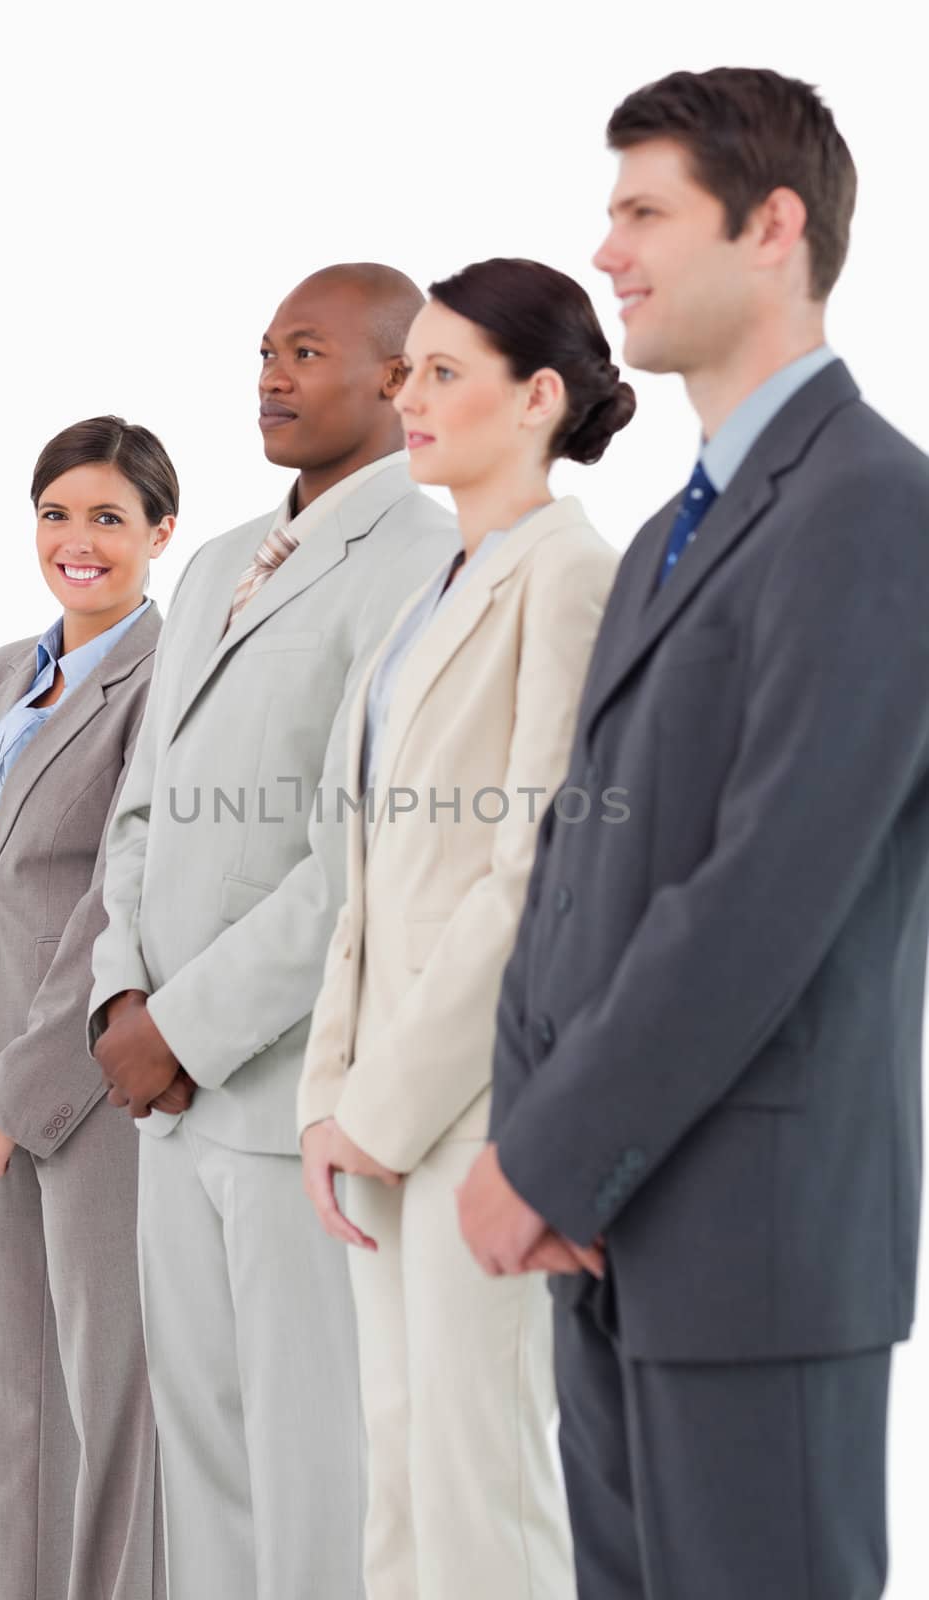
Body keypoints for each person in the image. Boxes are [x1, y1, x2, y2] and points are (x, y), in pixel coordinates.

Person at [458, 67, 929, 1600]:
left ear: (771, 226)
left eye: (643, 210)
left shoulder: (868, 504)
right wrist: (541, 1145)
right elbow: (581, 856)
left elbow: (763, 893)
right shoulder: (675, 527)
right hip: (612, 1237)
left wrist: (550, 1154)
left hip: (750, 1244)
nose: (608, 254)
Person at [88, 263, 458, 1600]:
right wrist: (120, 1006)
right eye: (262, 350)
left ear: (394, 377)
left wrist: (183, 1028)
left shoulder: (426, 563)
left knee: (317, 1475)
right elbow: (140, 813)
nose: (270, 375)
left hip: (293, 1103)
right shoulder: (209, 565)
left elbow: (361, 854)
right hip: (163, 1105)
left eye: (304, 351)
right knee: (203, 1467)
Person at [297, 257, 630, 1600]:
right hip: (379, 1111)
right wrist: (331, 1095)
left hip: (479, 1106)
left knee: (478, 1484)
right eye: (407, 368)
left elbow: (531, 873)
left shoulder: (567, 576)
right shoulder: (430, 591)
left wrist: (379, 1102)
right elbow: (365, 870)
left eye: (443, 371)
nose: (407, 393)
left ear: (537, 395)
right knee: (399, 1473)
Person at [0, 415, 176, 1600]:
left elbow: (116, 910)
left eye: (108, 518)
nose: (77, 541)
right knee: (10, 1387)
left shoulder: (165, 681)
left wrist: (19, 1095)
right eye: (57, 513)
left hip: (95, 1090)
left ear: (159, 533)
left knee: (111, 1382)